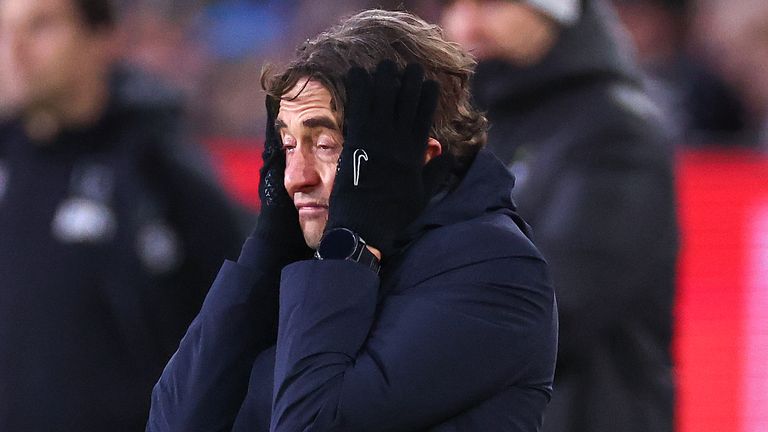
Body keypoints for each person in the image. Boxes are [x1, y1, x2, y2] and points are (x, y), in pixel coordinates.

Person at [147, 9, 558, 432]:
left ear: (417, 155)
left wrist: (351, 241)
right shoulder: (307, 260)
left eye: (324, 144)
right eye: (289, 145)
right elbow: (173, 423)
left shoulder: (495, 272)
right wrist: (266, 249)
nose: (294, 179)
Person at [0, 0, 243, 430]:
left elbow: (237, 319)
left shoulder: (161, 171)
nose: (14, 48)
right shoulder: (8, 159)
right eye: (4, 28)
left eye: (41, 27)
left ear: (103, 39)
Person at [441, 1, 678, 431]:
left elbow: (553, 309)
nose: (465, 23)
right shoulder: (480, 122)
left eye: (490, 4)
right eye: (454, 4)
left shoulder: (617, 131)